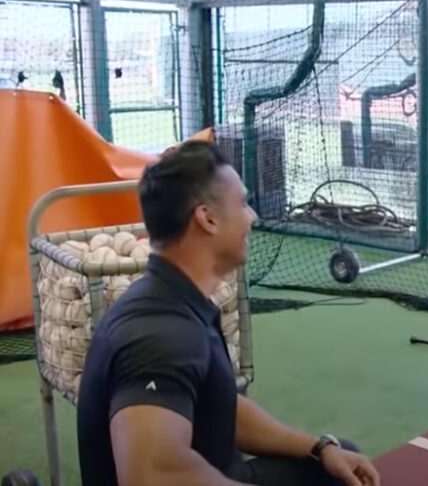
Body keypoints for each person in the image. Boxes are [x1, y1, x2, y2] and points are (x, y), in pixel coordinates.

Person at [75, 140, 381, 486]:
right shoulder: (160, 335)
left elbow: (222, 411)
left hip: (220, 471)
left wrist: (319, 447)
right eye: (243, 204)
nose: (252, 217)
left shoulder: (175, 299)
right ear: (207, 218)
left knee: (337, 464)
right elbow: (151, 475)